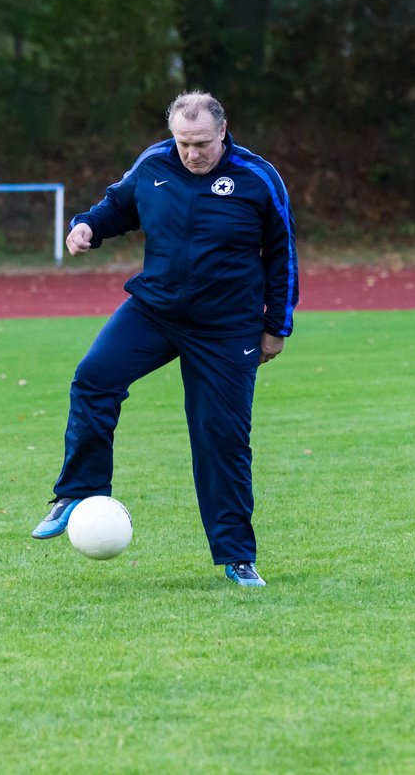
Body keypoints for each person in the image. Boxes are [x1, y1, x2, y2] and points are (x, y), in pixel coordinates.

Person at [30, 91, 298, 587]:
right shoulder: (155, 163)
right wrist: (87, 225)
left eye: (201, 143)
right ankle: (78, 490)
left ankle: (237, 557)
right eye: (182, 143)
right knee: (94, 378)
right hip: (155, 310)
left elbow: (283, 254)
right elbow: (118, 206)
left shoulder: (258, 178)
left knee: (221, 440)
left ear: (223, 131)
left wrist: (276, 326)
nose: (191, 154)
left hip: (226, 328)